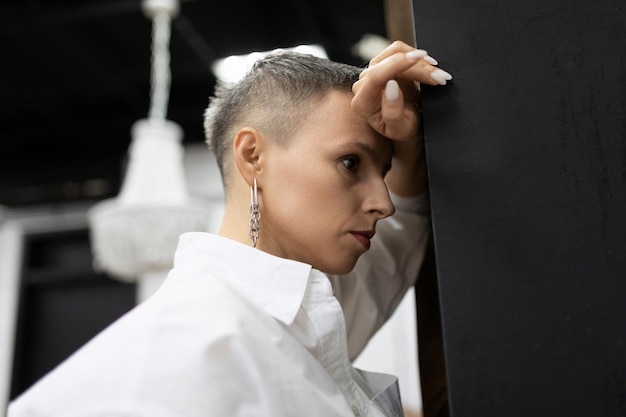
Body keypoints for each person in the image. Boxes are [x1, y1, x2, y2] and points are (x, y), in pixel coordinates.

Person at [8, 40, 451, 417]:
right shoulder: (175, 351)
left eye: (384, 170)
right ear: (252, 156)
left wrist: (411, 146)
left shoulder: (305, 313)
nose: (383, 203)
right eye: (351, 163)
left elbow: (396, 241)